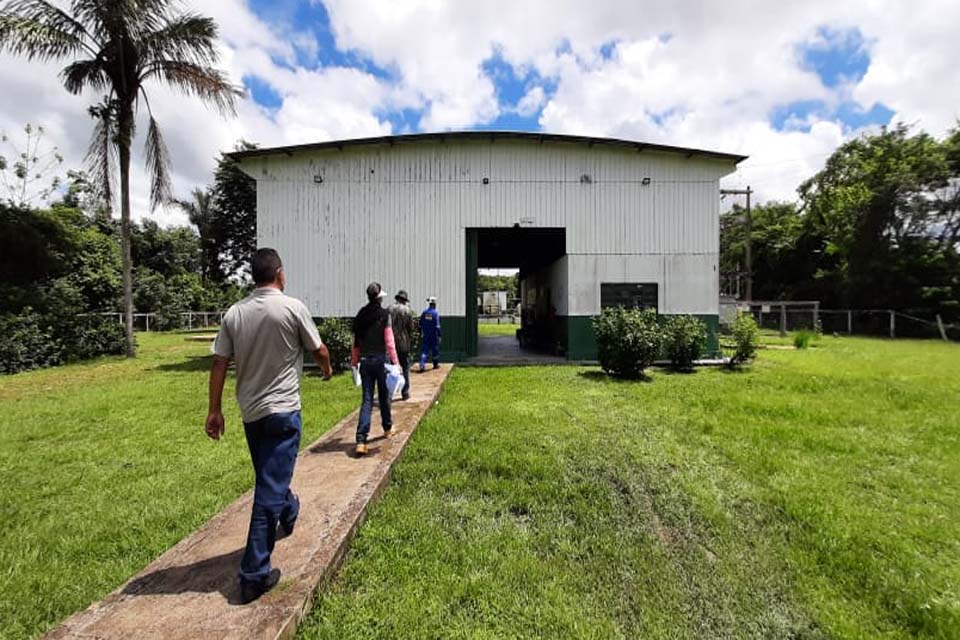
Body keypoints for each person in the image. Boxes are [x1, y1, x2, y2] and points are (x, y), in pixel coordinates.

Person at [206, 248, 332, 604]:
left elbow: (219, 363)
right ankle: (253, 576)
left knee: (269, 477)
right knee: (268, 488)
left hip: (252, 414)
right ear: (280, 273)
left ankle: (288, 509)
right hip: (284, 412)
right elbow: (319, 349)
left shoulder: (235, 314)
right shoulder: (292, 307)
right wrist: (326, 369)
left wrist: (214, 409)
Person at [351, 282, 400, 456]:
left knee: (367, 400)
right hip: (381, 360)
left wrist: (354, 361)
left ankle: (361, 440)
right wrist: (395, 362)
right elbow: (389, 340)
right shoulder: (384, 314)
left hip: (364, 361)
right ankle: (387, 428)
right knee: (384, 395)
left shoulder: (360, 315)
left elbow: (356, 342)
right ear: (379, 297)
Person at [387, 289, 416, 401]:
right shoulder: (407, 310)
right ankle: (405, 392)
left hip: (391, 343)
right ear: (404, 300)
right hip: (403, 343)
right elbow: (410, 328)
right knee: (404, 367)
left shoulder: (389, 309)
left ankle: (390, 392)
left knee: (391, 369)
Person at [419, 296, 441, 372]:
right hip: (433, 335)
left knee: (424, 350)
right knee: (435, 350)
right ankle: (435, 365)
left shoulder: (424, 313)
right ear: (434, 304)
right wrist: (439, 335)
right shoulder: (435, 313)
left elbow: (420, 323)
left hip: (426, 335)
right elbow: (437, 326)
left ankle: (422, 364)